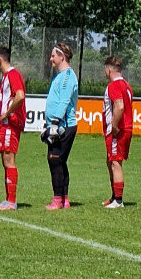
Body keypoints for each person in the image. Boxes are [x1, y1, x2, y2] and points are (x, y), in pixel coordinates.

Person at [43, 43, 79, 210]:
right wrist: (47, 123)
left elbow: (64, 100)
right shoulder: (58, 76)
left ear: (61, 57)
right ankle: (64, 199)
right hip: (56, 125)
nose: (51, 59)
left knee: (55, 160)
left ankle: (57, 199)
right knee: (59, 162)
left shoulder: (67, 76)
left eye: (53, 56)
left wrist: (55, 123)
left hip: (64, 126)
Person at [0, 46, 25, 211]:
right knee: (5, 161)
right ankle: (8, 199)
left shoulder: (13, 74)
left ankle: (11, 201)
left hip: (10, 124)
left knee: (9, 161)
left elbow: (20, 95)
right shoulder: (6, 77)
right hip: (4, 125)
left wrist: (8, 113)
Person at [102, 55, 133, 208]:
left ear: (108, 69)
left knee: (115, 163)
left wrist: (114, 126)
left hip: (118, 131)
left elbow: (119, 106)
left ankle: (118, 200)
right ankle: (114, 197)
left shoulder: (114, 86)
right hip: (126, 129)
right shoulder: (126, 85)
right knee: (111, 162)